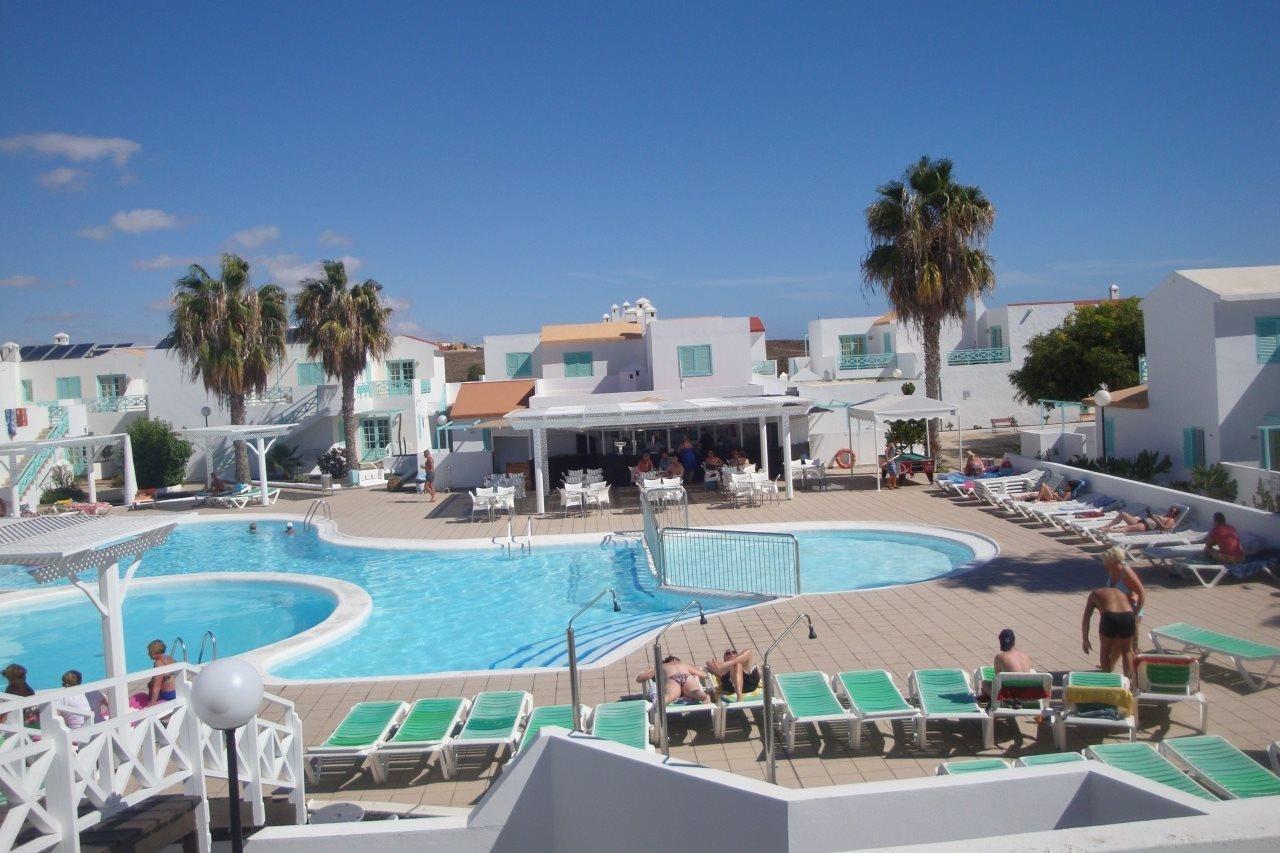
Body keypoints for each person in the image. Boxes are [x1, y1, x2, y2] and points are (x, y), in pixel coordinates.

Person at [1082, 585, 1141, 679]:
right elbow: (1134, 598)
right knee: (1127, 651)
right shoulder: (1120, 592)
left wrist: (1085, 639)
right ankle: (1128, 682)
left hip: (1109, 617)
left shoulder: (1094, 594)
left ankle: (1107, 681)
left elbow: (1086, 617)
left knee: (1105, 651)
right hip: (1128, 616)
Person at [1103, 546, 1146, 660]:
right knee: (1116, 643)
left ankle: (1133, 671)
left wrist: (1135, 614)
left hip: (1130, 613)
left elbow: (1141, 593)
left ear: (1116, 561)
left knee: (1128, 646)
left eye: (1107, 561)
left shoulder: (1126, 574)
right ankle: (1109, 666)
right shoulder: (1112, 570)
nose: (1105, 564)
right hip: (1118, 613)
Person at [635, 655, 709, 704]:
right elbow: (704, 675)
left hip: (672, 679)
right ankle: (703, 695)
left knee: (670, 696)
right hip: (687, 677)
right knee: (694, 692)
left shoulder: (662, 666)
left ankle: (660, 703)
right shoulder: (685, 664)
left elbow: (640, 678)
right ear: (675, 659)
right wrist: (694, 668)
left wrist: (648, 670)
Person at [131, 640, 177, 708]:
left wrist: (152, 704)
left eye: (149, 651)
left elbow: (157, 686)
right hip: (176, 692)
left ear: (154, 652)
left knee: (151, 685)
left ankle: (151, 701)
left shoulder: (158, 663)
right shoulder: (170, 658)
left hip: (167, 695)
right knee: (151, 683)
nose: (148, 654)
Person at [1098, 505, 1182, 535]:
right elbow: (1153, 518)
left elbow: (1164, 528)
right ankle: (1107, 526)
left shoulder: (1171, 520)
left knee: (1126, 529)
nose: (1170, 511)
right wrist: (1150, 514)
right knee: (1122, 514)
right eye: (1170, 509)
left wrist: (1156, 520)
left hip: (1146, 526)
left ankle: (1109, 531)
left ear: (1175, 515)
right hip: (1142, 521)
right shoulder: (1163, 515)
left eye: (1173, 511)